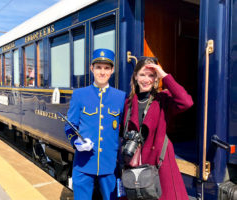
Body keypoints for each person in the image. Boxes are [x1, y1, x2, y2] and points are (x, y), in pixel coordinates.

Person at [122, 57, 193, 200]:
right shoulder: (128, 103)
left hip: (160, 164)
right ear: (135, 76)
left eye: (151, 75)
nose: (146, 79)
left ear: (156, 79)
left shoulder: (163, 99)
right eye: (142, 74)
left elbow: (186, 102)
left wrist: (163, 75)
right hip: (135, 164)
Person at [65, 48, 126, 200]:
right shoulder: (79, 95)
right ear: (91, 68)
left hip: (110, 165)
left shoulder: (121, 97)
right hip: (84, 164)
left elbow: (123, 130)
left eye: (106, 68)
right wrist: (76, 141)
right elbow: (69, 125)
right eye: (98, 67)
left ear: (112, 71)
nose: (102, 72)